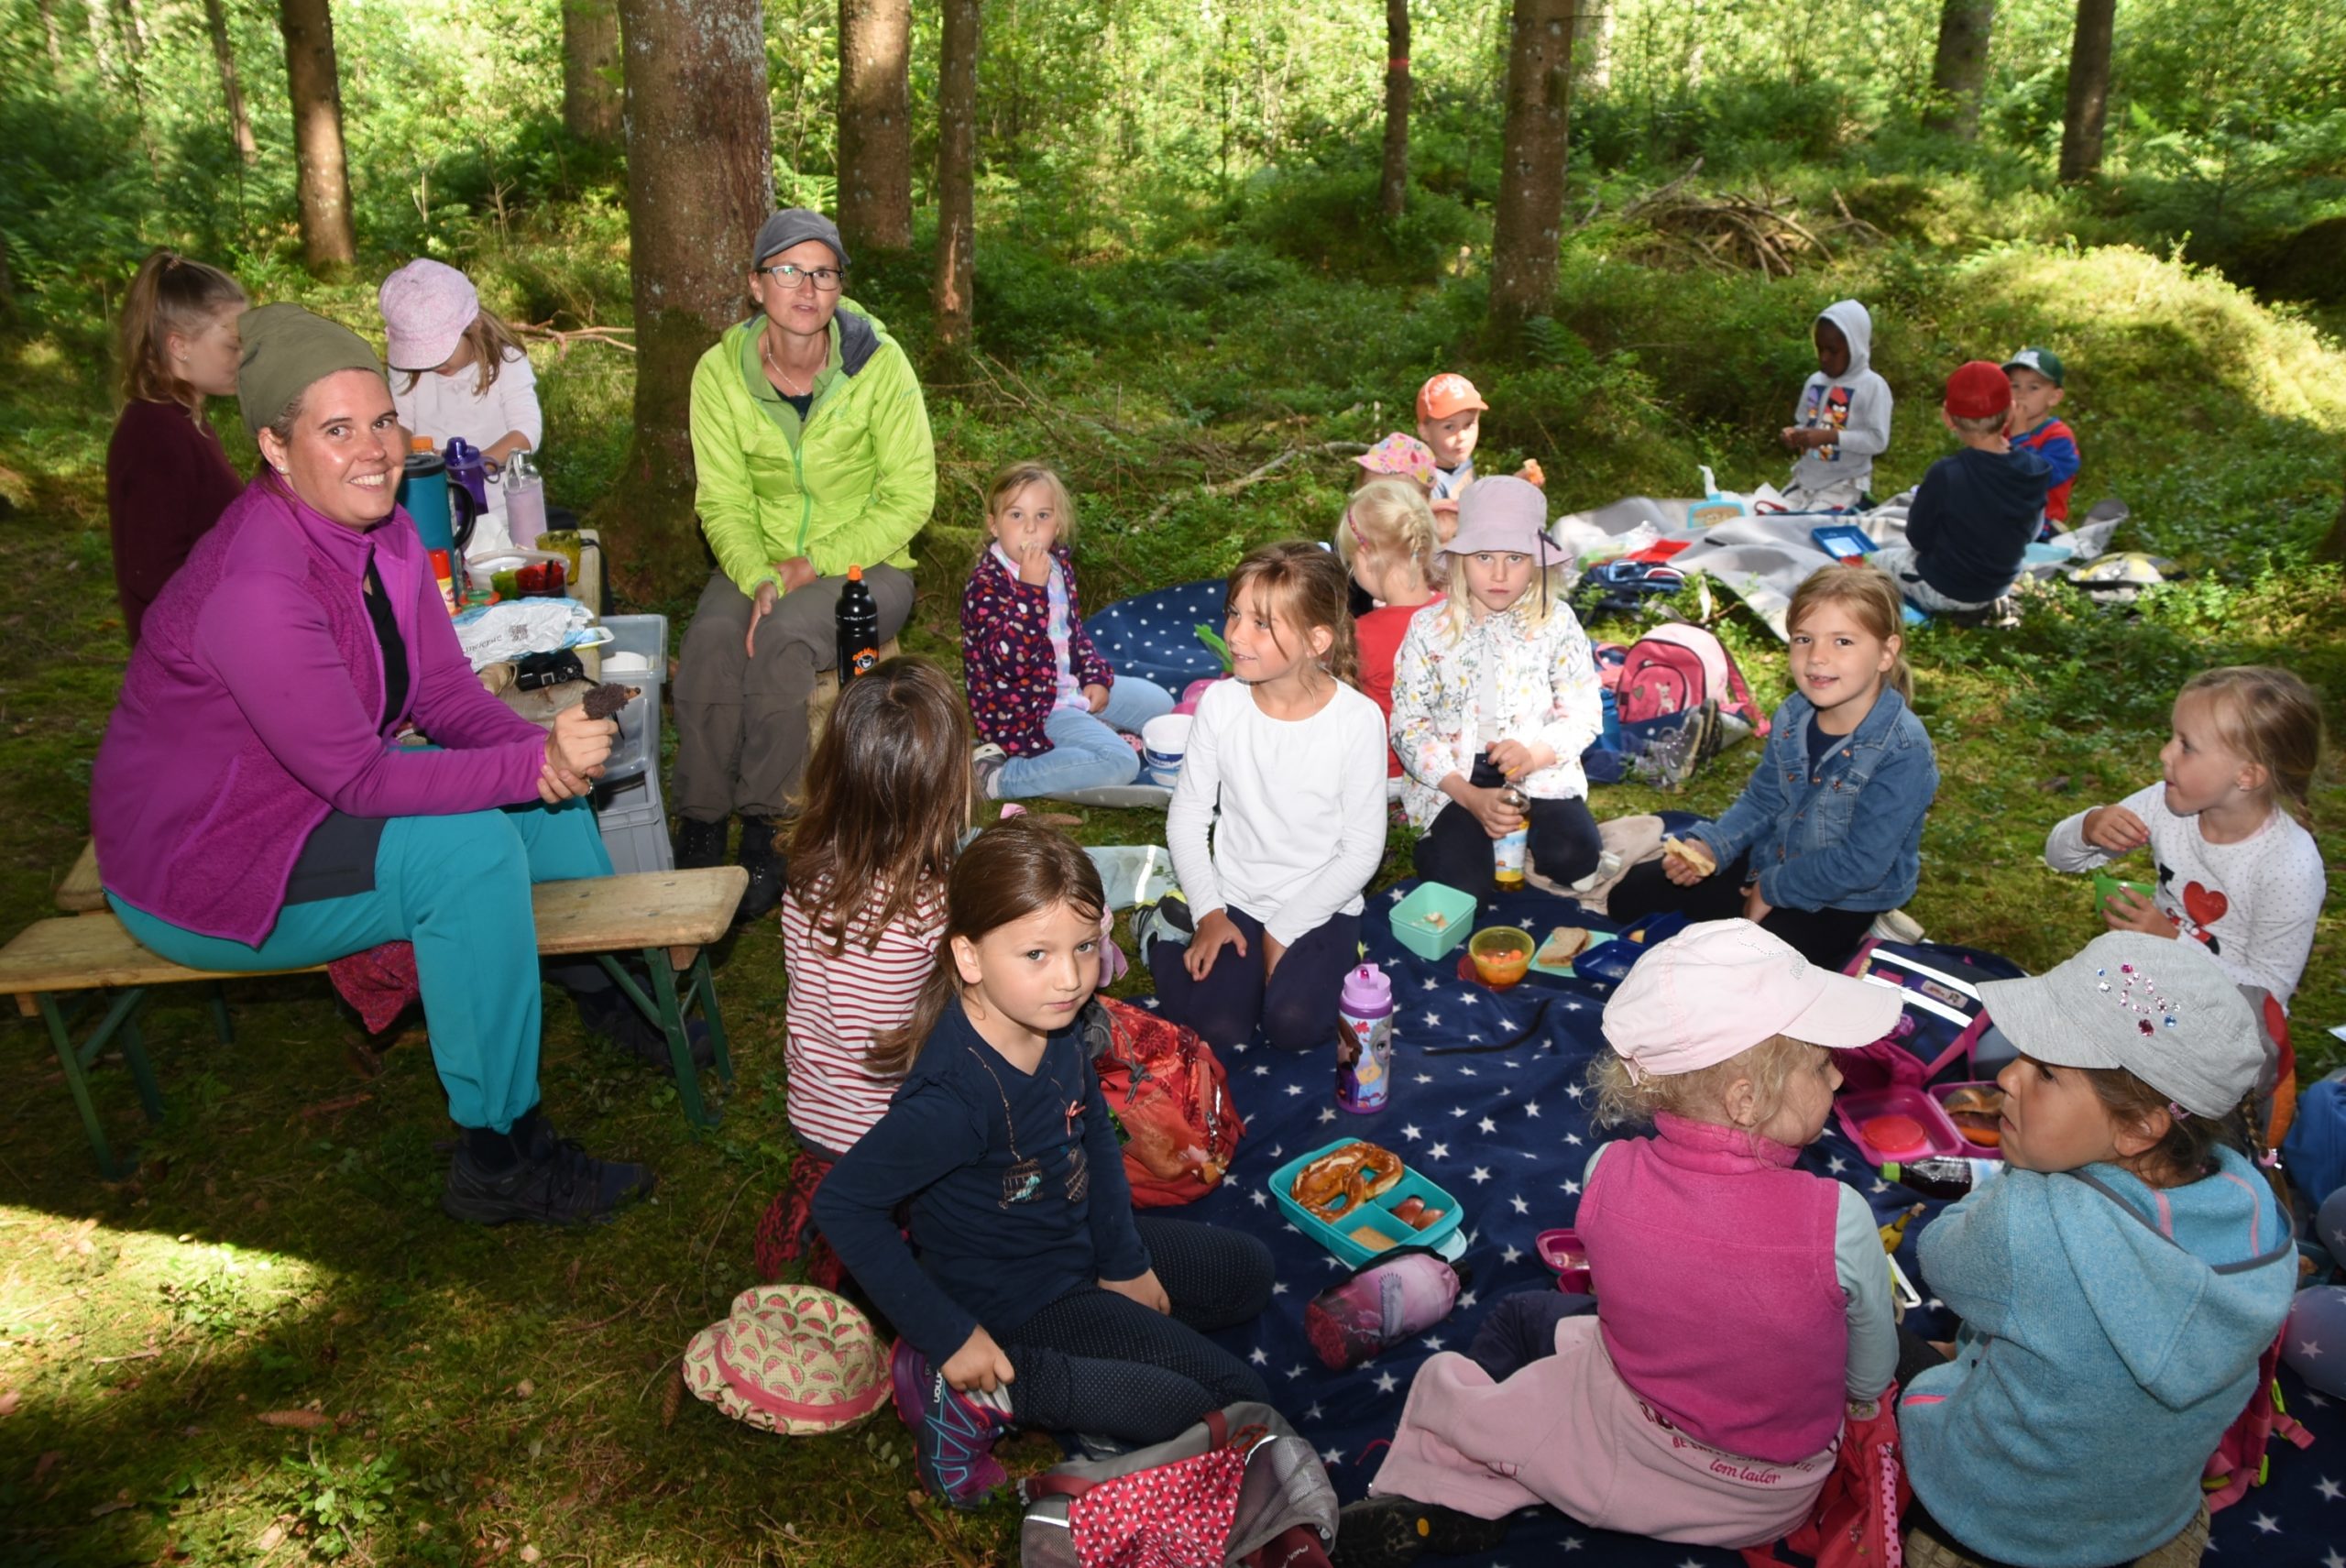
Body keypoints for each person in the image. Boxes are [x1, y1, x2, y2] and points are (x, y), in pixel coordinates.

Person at [89, 304, 654, 1225]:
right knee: (466, 857)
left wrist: (541, 752)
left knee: (541, 795)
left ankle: (613, 992)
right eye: (337, 430)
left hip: (302, 799)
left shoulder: (387, 531)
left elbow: (442, 697)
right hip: (209, 850)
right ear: (276, 447)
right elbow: (359, 779)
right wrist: (530, 769)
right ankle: (501, 1155)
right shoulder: (258, 586)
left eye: (382, 420)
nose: (375, 449)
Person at [1332, 920, 1902, 1566]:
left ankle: (1458, 1483)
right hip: (1772, 1497)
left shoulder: (1602, 1173)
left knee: (1516, 1322)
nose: (1837, 1078)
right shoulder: (1841, 1220)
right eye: (1824, 1062)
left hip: (1632, 1441)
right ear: (1747, 1099)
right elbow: (1870, 1376)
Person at [813, 822, 1276, 1507]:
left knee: (1250, 1275)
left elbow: (1090, 1134)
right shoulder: (954, 1101)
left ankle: (1109, 1369)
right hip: (1016, 1303)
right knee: (1229, 1403)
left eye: (1085, 946)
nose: (1069, 977)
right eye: (1037, 952)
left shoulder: (1054, 1022)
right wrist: (948, 1334)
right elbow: (844, 1206)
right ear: (968, 958)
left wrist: (1123, 1259)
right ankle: (988, 1393)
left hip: (1077, 1245)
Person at [1896, 932, 2297, 1568]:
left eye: (2046, 1072)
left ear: (2139, 1128)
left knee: (1880, 1350)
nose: (2005, 1076)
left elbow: (1941, 1256)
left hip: (2001, 1522)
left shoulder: (2029, 1223)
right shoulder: (2259, 1210)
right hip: (2146, 1512)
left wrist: (2019, 1177)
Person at [674, 208, 936, 920]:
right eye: (788, 270)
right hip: (754, 557)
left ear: (838, 287)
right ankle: (700, 820)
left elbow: (912, 494)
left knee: (786, 636)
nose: (806, 287)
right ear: (756, 286)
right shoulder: (719, 373)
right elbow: (720, 499)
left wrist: (807, 565)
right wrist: (760, 573)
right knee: (711, 641)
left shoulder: (877, 364)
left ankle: (768, 824)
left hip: (867, 563)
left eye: (822, 272)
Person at [753, 657, 970, 1288]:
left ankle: (827, 1215)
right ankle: (877, 1241)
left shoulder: (808, 872)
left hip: (814, 1110)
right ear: (941, 788)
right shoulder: (933, 906)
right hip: (890, 1133)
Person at [1608, 564, 1937, 968]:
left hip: (1844, 894)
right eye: (1803, 639)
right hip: (1772, 860)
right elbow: (1764, 799)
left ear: (1886, 652)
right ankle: (1747, 916)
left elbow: (1862, 865)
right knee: (1627, 898)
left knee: (1754, 967)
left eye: (1843, 641)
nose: (1817, 657)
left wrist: (1773, 887)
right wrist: (1713, 846)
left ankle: (1867, 935)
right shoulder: (1795, 714)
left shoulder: (1903, 751)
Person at [1141, 542, 1387, 1052]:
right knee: (1220, 1030)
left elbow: (1362, 850)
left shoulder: (1358, 720)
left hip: (1323, 901)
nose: (1235, 634)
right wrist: (1210, 911)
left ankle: (1324, 955)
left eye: (1260, 624)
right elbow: (1188, 816)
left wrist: (1283, 932)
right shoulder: (1220, 705)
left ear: (1317, 639)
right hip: (1237, 898)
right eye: (1234, 613)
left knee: (1295, 1025)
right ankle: (1163, 936)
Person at [2044, 666, 2326, 1105]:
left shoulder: (2288, 865)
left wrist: (2171, 941)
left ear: (2247, 776)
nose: (2164, 753)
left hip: (2225, 1034)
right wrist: (2089, 826)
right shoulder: (2165, 804)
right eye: (2172, 736)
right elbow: (2061, 860)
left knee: (2144, 1115)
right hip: (2147, 990)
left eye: (2186, 746)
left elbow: (2268, 993)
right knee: (2065, 1066)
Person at [1390, 476, 1605, 895]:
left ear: (1538, 561)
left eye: (1516, 557)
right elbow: (1409, 727)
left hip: (1535, 765)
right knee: (1465, 888)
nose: (1500, 574)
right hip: (1455, 775)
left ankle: (1529, 836)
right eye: (1484, 556)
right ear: (1459, 558)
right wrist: (1468, 796)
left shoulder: (1556, 621)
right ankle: (1463, 838)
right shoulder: (1428, 629)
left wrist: (1534, 754)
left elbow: (1583, 712)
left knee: (1574, 862)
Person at [962, 462, 1174, 799]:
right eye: (1016, 516)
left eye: (1042, 516)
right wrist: (1030, 592)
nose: (1030, 529)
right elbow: (1010, 663)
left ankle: (1088, 734)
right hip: (1027, 711)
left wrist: (1094, 676)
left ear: (1057, 524)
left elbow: (1074, 637)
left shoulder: (1057, 566)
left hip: (1067, 689)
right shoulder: (986, 585)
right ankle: (998, 777)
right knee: (1119, 763)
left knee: (1161, 704)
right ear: (993, 524)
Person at [106, 249, 248, 646]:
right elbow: (152, 573)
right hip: (185, 665)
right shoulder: (154, 434)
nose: (242, 356)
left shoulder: (184, 420)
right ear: (179, 346)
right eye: (231, 345)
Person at [377, 258, 544, 557]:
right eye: (421, 355)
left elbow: (527, 430)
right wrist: (412, 457)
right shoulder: (410, 371)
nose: (431, 364)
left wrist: (473, 465)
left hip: (502, 514)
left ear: (473, 325)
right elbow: (401, 425)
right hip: (435, 511)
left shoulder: (506, 363)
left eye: (438, 353)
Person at [1870, 361, 2051, 619]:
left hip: (1947, 588)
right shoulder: (2036, 468)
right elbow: (2031, 534)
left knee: (1878, 561)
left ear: (1948, 418)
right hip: (2000, 584)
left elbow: (1918, 537)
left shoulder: (1947, 473)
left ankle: (1931, 608)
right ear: (2011, 412)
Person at [1335, 477, 1443, 794]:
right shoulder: (1454, 613)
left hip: (1387, 778)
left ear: (1367, 558)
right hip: (1452, 770)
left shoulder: (1362, 634)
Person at [1778, 299, 1891, 512]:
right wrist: (1795, 434)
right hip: (1806, 479)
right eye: (1820, 349)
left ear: (1855, 346)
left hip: (1843, 483)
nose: (1824, 358)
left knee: (1806, 530)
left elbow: (1877, 440)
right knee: (1771, 519)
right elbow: (1805, 422)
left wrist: (1831, 437)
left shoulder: (1872, 386)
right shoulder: (1815, 382)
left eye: (1833, 351)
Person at [2003, 346, 2078, 539]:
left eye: (2033, 388)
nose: (2021, 394)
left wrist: (2020, 437)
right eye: (2014, 386)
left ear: (2054, 397)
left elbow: (2036, 479)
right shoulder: (2000, 430)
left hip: (2041, 529)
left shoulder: (2059, 438)